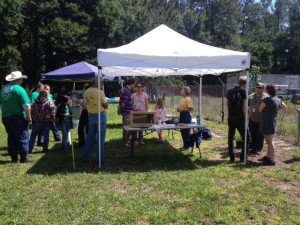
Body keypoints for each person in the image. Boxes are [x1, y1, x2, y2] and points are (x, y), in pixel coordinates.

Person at [0, 71, 33, 163]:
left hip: (6, 117)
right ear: (18, 79)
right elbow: (26, 105)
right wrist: (29, 117)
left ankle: (14, 157)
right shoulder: (19, 89)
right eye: (21, 79)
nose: (22, 80)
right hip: (17, 117)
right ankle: (24, 158)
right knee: (22, 136)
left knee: (11, 137)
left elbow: (1, 105)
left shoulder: (3, 89)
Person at [81, 78, 108, 163]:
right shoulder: (100, 92)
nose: (102, 84)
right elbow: (106, 106)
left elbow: (85, 105)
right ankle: (100, 158)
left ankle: (85, 157)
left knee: (90, 138)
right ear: (97, 83)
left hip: (91, 116)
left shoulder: (86, 92)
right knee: (101, 139)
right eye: (101, 82)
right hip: (100, 115)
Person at [259, 84, 287, 166]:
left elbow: (260, 109)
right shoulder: (278, 100)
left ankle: (272, 160)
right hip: (273, 122)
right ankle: (268, 157)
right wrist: (276, 109)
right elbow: (285, 107)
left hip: (267, 123)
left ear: (267, 91)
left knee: (270, 142)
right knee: (269, 141)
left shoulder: (267, 99)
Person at [226, 75, 250, 162]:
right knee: (246, 137)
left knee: (231, 137)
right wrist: (247, 117)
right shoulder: (243, 91)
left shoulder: (229, 91)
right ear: (245, 83)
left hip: (231, 117)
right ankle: (243, 157)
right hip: (240, 118)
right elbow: (244, 106)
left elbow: (227, 105)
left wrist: (230, 114)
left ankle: (232, 157)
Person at [248, 82, 268, 154]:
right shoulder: (250, 96)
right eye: (257, 87)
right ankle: (253, 148)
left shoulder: (266, 97)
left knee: (259, 135)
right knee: (252, 134)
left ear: (263, 89)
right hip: (252, 119)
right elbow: (246, 104)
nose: (258, 89)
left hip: (261, 120)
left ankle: (258, 149)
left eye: (260, 87)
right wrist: (247, 113)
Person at [119, 78, 135, 147]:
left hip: (129, 112)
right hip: (126, 113)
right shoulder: (126, 91)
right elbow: (123, 104)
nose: (134, 86)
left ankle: (127, 141)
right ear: (132, 84)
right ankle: (125, 143)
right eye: (134, 84)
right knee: (126, 128)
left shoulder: (127, 90)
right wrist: (121, 110)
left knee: (129, 128)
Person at [177, 86, 193, 150]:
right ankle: (185, 146)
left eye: (182, 90)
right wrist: (178, 109)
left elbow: (191, 109)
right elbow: (180, 108)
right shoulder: (182, 99)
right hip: (181, 116)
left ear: (186, 91)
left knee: (186, 131)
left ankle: (187, 146)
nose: (181, 91)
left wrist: (182, 110)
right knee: (182, 131)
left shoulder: (188, 99)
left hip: (186, 116)